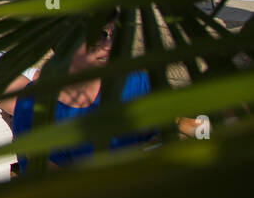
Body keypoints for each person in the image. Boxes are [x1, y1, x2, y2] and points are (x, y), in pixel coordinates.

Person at [9, 17, 177, 170]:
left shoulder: (134, 81)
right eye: (100, 35)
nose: (110, 45)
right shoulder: (33, 104)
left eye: (115, 33)